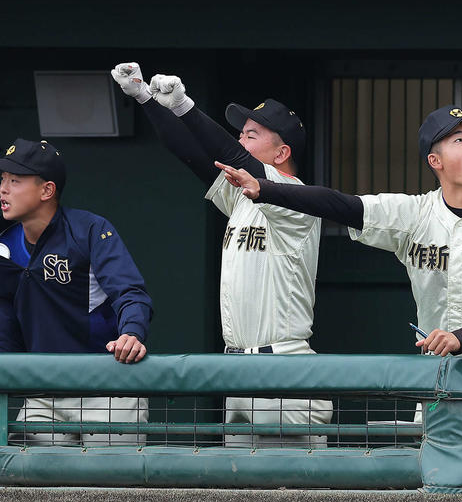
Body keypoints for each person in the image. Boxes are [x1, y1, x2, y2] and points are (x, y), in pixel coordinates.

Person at [215, 103, 462, 426]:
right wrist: (266, 190)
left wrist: (460, 339)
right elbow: (340, 204)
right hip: (436, 386)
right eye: (459, 140)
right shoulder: (414, 214)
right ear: (435, 160)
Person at [113, 63, 329, 449]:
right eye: (241, 134)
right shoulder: (242, 197)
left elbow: (229, 153)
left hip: (283, 363)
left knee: (301, 493)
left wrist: (183, 106)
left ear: (282, 152)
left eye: (252, 135)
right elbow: (193, 156)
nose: (241, 142)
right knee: (239, 493)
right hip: (237, 365)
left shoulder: (296, 197)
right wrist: (144, 98)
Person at [0, 138, 153, 446]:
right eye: (2, 180)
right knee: (33, 489)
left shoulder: (89, 230)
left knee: (113, 491)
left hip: (107, 388)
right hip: (42, 395)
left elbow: (130, 292)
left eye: (15, 181)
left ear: (47, 190)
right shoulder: (5, 242)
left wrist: (132, 332)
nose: (3, 189)